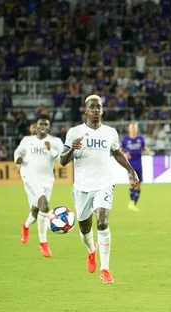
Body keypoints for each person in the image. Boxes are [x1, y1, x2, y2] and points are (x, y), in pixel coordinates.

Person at [60, 95, 140, 284]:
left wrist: (131, 171)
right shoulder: (74, 132)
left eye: (99, 107)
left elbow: (117, 153)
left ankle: (105, 269)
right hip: (81, 187)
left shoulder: (110, 132)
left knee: (102, 222)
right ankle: (91, 250)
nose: (96, 110)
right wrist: (72, 149)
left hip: (104, 184)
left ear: (102, 110)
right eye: (92, 107)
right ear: (85, 111)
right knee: (85, 227)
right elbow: (62, 161)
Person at [14, 114, 64, 258]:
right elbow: (18, 152)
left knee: (36, 213)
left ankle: (26, 225)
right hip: (29, 177)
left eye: (46, 125)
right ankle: (43, 243)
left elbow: (62, 160)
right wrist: (17, 159)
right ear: (36, 126)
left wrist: (51, 150)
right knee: (44, 205)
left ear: (49, 127)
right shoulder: (27, 140)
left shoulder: (55, 142)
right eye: (40, 124)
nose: (43, 127)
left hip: (47, 180)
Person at [121, 122, 150, 211]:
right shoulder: (125, 140)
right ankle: (131, 202)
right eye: (131, 128)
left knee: (138, 185)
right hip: (130, 165)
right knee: (133, 182)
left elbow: (145, 149)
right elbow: (120, 152)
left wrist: (147, 152)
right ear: (129, 129)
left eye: (134, 128)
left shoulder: (140, 139)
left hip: (139, 164)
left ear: (137, 129)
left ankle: (134, 203)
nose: (133, 129)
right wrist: (125, 154)